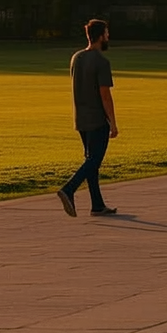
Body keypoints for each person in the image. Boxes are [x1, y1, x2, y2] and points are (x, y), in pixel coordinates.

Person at [58, 18, 118, 217]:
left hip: (80, 119)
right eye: (107, 34)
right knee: (93, 161)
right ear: (100, 36)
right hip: (97, 119)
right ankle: (69, 189)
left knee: (91, 160)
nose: (108, 37)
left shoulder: (76, 57)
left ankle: (97, 205)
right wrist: (113, 122)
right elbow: (105, 94)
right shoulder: (101, 61)